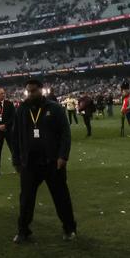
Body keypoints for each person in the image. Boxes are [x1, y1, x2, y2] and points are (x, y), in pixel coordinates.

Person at [9, 78, 77, 244]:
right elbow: (15, 136)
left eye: (33, 91)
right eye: (28, 91)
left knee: (61, 197)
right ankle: (23, 231)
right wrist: (16, 160)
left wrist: (63, 156)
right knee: (26, 199)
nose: (30, 94)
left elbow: (65, 134)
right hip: (29, 164)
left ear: (41, 90)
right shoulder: (22, 110)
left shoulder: (54, 108)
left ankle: (69, 229)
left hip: (53, 162)